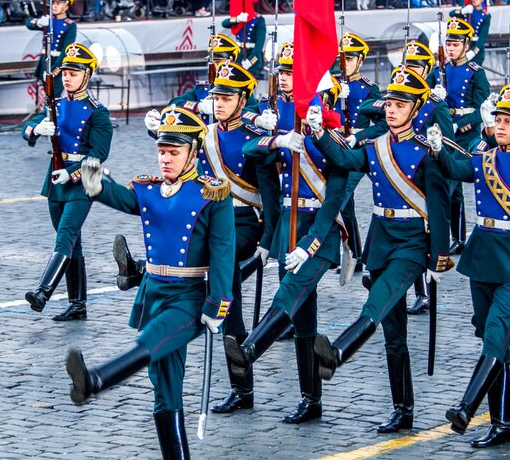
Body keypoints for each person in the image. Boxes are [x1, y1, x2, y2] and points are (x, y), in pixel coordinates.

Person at [65, 105, 235, 460]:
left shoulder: (212, 194)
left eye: (174, 152)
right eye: (162, 150)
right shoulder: (152, 189)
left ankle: (94, 380)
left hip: (190, 299)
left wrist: (218, 305)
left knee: (149, 342)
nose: (165, 157)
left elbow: (223, 254)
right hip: (155, 292)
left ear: (193, 153)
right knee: (164, 389)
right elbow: (124, 198)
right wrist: (94, 182)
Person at [312, 66, 452, 433]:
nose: (391, 109)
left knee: (379, 301)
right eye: (389, 103)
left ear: (416, 108)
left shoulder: (426, 152)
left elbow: (439, 206)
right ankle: (402, 408)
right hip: (381, 239)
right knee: (394, 332)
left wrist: (438, 257)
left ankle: (339, 351)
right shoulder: (375, 146)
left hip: (411, 243)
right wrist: (319, 132)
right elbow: (344, 160)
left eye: (400, 104)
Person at [135, 61, 278, 414]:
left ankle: (242, 389)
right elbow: (179, 146)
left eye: (227, 98)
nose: (219, 103)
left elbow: (270, 193)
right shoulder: (205, 135)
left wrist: (268, 242)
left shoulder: (252, 135)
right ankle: (143, 270)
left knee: (228, 297)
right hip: (210, 220)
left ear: (243, 100)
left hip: (245, 223)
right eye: (216, 97)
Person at [224, 45, 350, 424]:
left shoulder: (334, 135)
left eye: (294, 73)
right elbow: (252, 151)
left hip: (319, 234)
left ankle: (249, 348)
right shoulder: (284, 128)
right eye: (283, 72)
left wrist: (310, 247)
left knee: (288, 294)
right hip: (289, 230)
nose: (285, 78)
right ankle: (312, 400)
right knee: (304, 320)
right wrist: (278, 141)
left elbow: (336, 199)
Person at [431, 84, 510, 446]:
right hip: (482, 258)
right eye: (498, 119)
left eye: (509, 120)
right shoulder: (483, 158)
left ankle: (467, 408)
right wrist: (439, 149)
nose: (501, 126)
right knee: (491, 339)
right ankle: (502, 423)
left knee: (497, 335)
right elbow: (457, 169)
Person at [353, 41, 455, 312]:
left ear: (426, 69)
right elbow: (367, 110)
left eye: (416, 66)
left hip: (421, 177)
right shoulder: (393, 102)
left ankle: (421, 291)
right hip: (390, 162)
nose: (411, 70)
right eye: (407, 65)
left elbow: (448, 152)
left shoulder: (435, 105)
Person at [20, 43, 113, 320]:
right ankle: (78, 304)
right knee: (73, 242)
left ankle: (43, 292)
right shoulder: (55, 105)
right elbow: (26, 131)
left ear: (87, 75)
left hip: (85, 177)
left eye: (74, 72)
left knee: (65, 236)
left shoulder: (98, 112)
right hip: (56, 174)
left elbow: (100, 154)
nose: (67, 77)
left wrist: (73, 173)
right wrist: (36, 128)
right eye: (65, 73)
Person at [436, 17, 490, 255]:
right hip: (446, 133)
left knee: (451, 184)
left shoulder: (476, 73)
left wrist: (459, 126)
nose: (451, 48)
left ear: (466, 46)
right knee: (453, 190)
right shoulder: (441, 71)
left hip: (465, 136)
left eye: (456, 44)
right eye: (448, 44)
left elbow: (482, 110)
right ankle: (457, 237)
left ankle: (447, 236)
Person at [334, 32, 383, 281]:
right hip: (337, 149)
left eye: (350, 59)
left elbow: (382, 124)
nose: (346, 64)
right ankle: (356, 253)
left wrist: (360, 135)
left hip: (359, 151)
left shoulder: (369, 88)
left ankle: (332, 250)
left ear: (360, 61)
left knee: (339, 197)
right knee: (348, 208)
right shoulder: (331, 84)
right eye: (342, 59)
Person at [25, 0, 77, 99]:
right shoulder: (47, 21)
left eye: (58, 3)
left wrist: (55, 69)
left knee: (54, 97)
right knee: (48, 97)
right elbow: (28, 23)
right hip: (45, 60)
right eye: (53, 3)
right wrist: (38, 22)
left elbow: (66, 49)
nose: (54, 6)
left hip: (57, 63)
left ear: (66, 6)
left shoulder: (70, 25)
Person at [450, 0, 491, 66]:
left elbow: (482, 37)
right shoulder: (467, 11)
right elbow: (451, 13)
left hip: (476, 48)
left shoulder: (485, 15)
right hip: (464, 45)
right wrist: (462, 11)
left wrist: (474, 51)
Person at [222, 11, 267, 81]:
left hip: (251, 54)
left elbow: (259, 45)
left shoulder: (259, 19)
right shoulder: (240, 17)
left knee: (248, 84)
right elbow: (224, 23)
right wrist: (237, 19)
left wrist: (250, 61)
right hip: (239, 55)